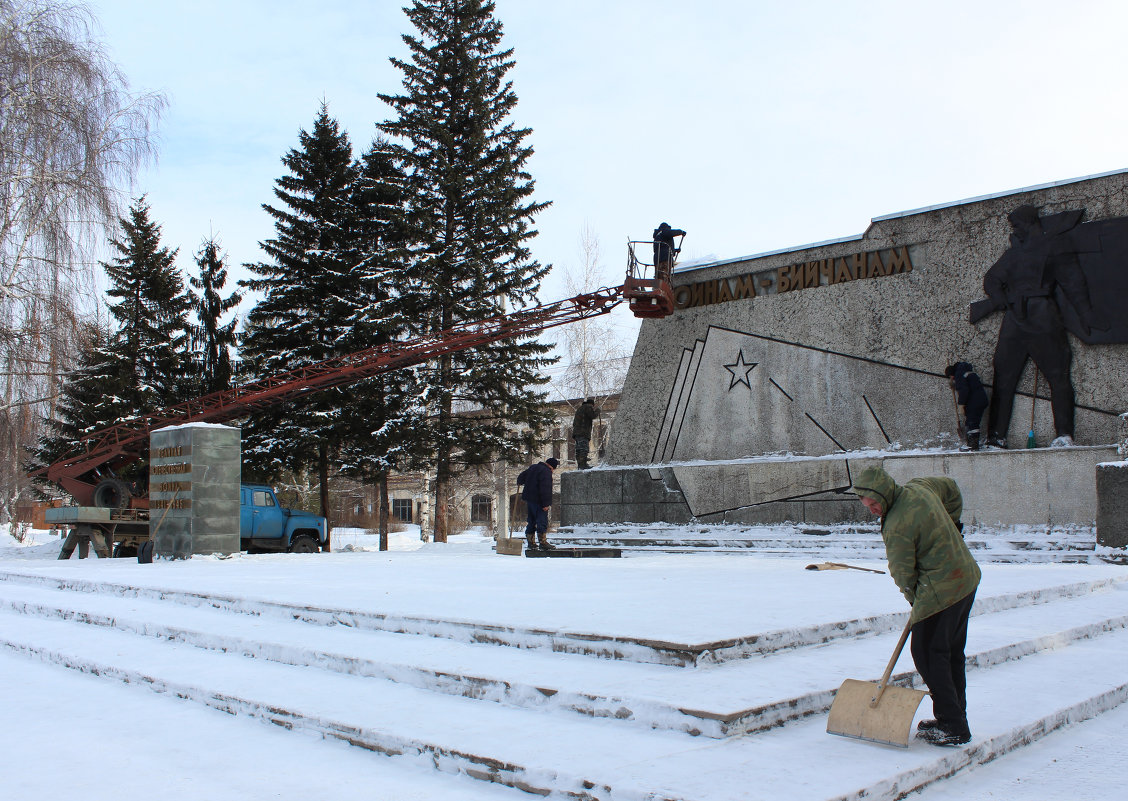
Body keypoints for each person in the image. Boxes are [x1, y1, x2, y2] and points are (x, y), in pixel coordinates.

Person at [851, 465, 981, 747]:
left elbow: (902, 573)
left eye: (875, 503)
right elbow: (951, 488)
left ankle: (952, 725)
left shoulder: (896, 525)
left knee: (927, 654)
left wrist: (915, 598)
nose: (873, 509)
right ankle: (955, 716)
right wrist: (953, 526)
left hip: (941, 591)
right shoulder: (920, 487)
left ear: (885, 493)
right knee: (950, 652)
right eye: (867, 505)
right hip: (966, 578)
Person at [972, 205, 1104, 448]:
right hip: (1014, 319)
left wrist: (1088, 316)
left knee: (1058, 376)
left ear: (1030, 222)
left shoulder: (1052, 248)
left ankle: (1064, 434)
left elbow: (1073, 283)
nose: (1015, 230)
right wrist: (1000, 299)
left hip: (1043, 315)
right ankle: (996, 437)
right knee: (1003, 378)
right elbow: (991, 279)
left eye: (1017, 225)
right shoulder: (1013, 254)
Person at [516, 457, 558, 551]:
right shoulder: (546, 472)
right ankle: (543, 543)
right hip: (539, 501)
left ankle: (531, 543)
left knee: (531, 520)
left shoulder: (533, 467)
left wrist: (519, 481)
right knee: (541, 521)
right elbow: (545, 489)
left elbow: (521, 477)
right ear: (551, 467)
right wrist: (545, 504)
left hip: (529, 500)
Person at [944, 362, 989, 451]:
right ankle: (971, 444)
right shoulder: (965, 371)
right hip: (980, 400)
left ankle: (973, 446)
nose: (952, 378)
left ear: (952, 374)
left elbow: (964, 390)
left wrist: (961, 405)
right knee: (971, 421)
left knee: (972, 422)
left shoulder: (959, 374)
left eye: (950, 377)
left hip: (975, 401)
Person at [571, 398, 598, 469]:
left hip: (577, 433)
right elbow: (593, 416)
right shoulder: (588, 407)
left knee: (579, 449)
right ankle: (583, 465)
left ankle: (580, 465)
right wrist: (598, 410)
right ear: (592, 404)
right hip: (583, 432)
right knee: (583, 448)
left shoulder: (579, 409)